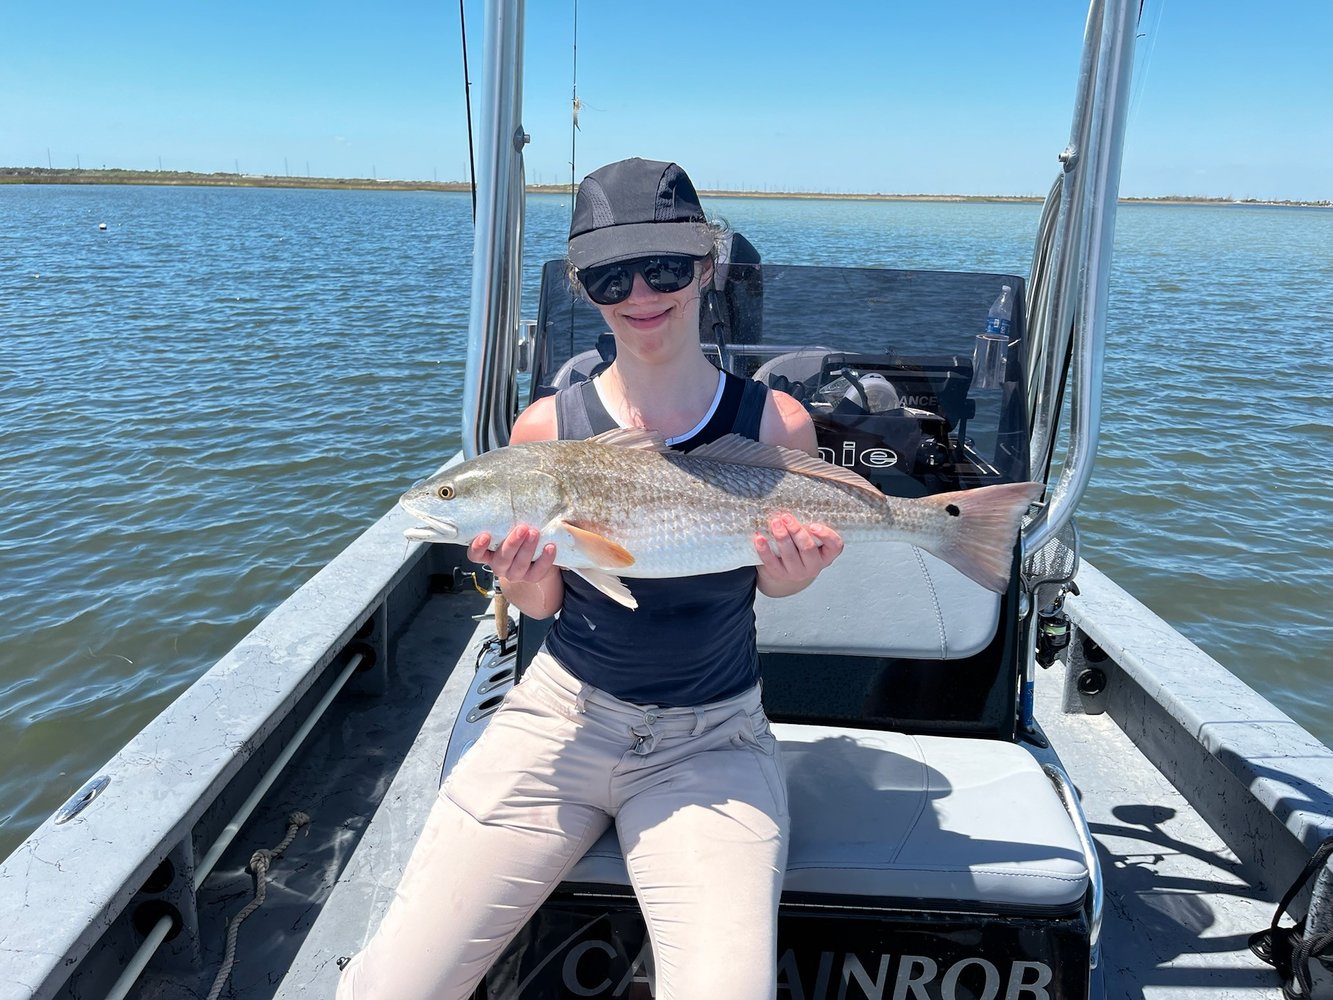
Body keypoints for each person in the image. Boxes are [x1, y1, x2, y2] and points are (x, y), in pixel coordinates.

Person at [337, 157, 844, 999]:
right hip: (558, 723)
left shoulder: (774, 422)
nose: (641, 292)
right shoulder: (545, 427)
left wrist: (798, 568)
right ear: (583, 288)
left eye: (668, 266)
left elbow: (772, 588)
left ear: (707, 267)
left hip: (712, 741)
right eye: (611, 274)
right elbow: (544, 602)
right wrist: (520, 575)